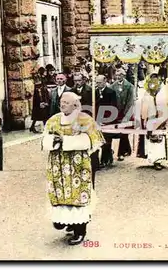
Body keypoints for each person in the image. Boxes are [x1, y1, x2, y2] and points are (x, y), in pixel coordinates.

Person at [42, 92, 105, 245]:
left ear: (75, 105)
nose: (62, 104)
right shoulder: (54, 119)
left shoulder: (83, 119)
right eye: (61, 102)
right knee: (61, 194)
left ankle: (80, 231)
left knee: (78, 195)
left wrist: (66, 141)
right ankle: (65, 221)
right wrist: (53, 140)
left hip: (78, 165)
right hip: (58, 165)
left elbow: (92, 141)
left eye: (66, 102)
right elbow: (45, 139)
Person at [141, 73, 168, 170]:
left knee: (158, 139)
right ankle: (152, 158)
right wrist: (144, 119)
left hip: (159, 117)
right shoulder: (147, 92)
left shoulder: (163, 93)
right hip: (150, 117)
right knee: (151, 139)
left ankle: (158, 160)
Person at [95, 75, 118, 169]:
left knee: (106, 140)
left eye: (99, 82)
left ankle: (105, 159)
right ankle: (102, 159)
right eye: (97, 83)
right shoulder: (94, 92)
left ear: (105, 81)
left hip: (107, 120)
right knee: (98, 140)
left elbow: (113, 107)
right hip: (96, 119)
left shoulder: (111, 92)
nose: (98, 84)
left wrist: (106, 120)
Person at [111, 68, 135, 161]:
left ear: (123, 76)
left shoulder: (129, 86)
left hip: (126, 112)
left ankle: (120, 153)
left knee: (124, 132)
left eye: (120, 75)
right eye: (116, 75)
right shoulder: (113, 86)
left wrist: (126, 115)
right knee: (120, 132)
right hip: (116, 112)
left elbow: (130, 102)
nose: (118, 77)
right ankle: (127, 149)